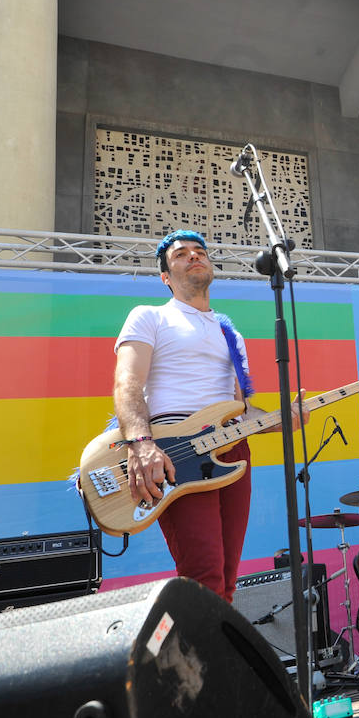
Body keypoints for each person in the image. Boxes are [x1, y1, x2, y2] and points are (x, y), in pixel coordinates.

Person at [112, 229, 303, 602]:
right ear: (165, 276)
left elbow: (242, 410)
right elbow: (127, 383)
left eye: (200, 252)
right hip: (174, 448)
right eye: (181, 254)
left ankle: (215, 659)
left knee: (227, 582)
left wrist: (286, 419)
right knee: (203, 577)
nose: (194, 257)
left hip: (230, 448)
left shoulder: (229, 332)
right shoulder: (149, 316)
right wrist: (140, 443)